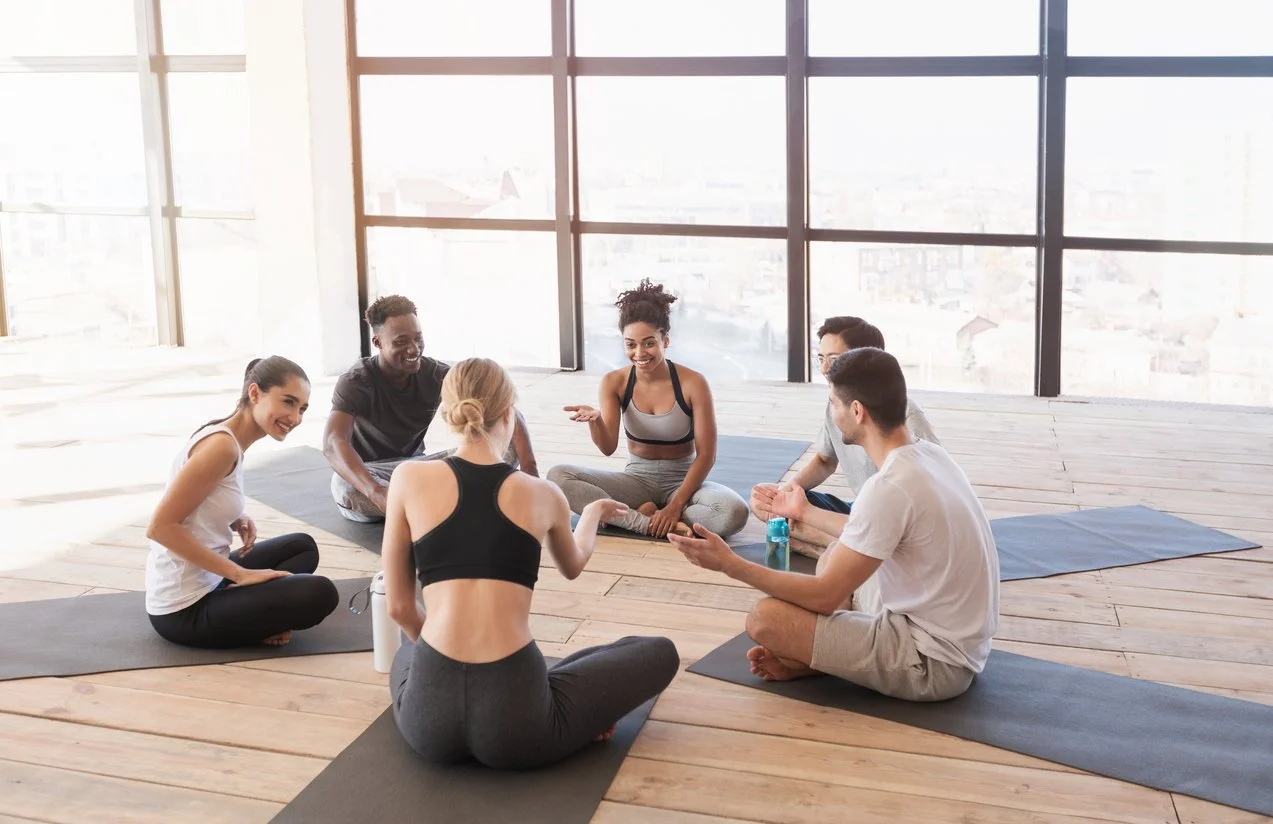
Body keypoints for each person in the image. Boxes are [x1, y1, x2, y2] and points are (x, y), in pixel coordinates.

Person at [382, 358, 679, 768]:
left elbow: (398, 607)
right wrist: (591, 514)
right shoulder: (543, 493)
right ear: (509, 415)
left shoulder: (408, 478)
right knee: (656, 651)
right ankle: (571, 705)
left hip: (427, 726)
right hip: (517, 726)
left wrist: (438, 662)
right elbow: (573, 565)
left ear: (449, 414)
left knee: (406, 652)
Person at [670, 347, 998, 702]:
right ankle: (827, 656)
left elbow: (825, 597)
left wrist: (729, 564)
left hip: (932, 663)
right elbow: (868, 532)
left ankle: (823, 659)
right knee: (833, 554)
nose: (832, 411)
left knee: (765, 619)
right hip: (958, 639)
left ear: (856, 411)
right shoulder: (929, 456)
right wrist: (804, 511)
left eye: (833, 402)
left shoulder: (888, 487)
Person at [145, 356, 340, 648]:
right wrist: (240, 574)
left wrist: (237, 517)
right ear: (254, 393)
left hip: (212, 578)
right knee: (321, 593)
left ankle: (252, 614)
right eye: (288, 402)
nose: (296, 418)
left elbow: (202, 497)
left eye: (302, 408)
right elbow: (160, 527)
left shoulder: (227, 436)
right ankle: (254, 621)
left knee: (302, 547)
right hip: (184, 609)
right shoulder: (221, 447)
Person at [547, 279, 749, 539]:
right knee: (558, 476)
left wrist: (675, 505)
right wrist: (595, 421)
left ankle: (635, 516)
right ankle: (647, 522)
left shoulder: (693, 383)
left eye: (649, 342)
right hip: (636, 481)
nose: (639, 353)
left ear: (665, 341)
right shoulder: (614, 382)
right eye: (630, 344)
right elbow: (607, 447)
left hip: (684, 483)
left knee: (734, 512)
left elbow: (706, 456)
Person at [323, 295, 539, 523]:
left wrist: (530, 473)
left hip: (419, 470)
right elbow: (333, 443)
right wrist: (377, 492)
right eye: (400, 342)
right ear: (378, 343)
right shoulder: (357, 381)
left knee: (509, 441)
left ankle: (426, 505)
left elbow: (504, 406)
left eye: (418, 338)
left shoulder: (435, 374)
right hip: (374, 474)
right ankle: (455, 500)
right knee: (345, 485)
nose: (413, 349)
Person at [751, 316, 940, 559]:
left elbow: (933, 483)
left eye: (834, 359)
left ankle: (846, 553)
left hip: (893, 520)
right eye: (821, 359)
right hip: (859, 512)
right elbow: (824, 460)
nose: (825, 369)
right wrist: (786, 491)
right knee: (762, 501)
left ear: (865, 360)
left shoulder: (905, 413)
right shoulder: (836, 404)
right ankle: (842, 552)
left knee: (880, 537)